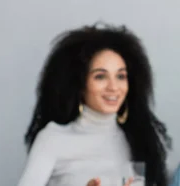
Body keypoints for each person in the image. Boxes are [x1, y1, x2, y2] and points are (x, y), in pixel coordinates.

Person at [18, 23, 171, 186]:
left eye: (121, 76)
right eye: (100, 77)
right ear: (80, 85)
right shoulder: (53, 139)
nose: (113, 87)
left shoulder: (139, 141)